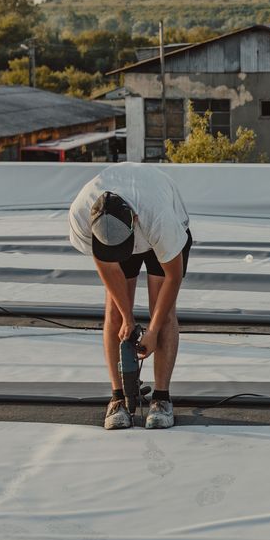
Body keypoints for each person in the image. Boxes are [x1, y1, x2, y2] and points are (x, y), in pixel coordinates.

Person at [68, 163, 192, 431]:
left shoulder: (159, 218)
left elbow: (173, 277)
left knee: (163, 309)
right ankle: (118, 399)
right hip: (123, 231)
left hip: (159, 234)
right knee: (114, 312)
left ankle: (161, 398)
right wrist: (127, 318)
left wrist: (152, 330)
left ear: (134, 219)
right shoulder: (80, 215)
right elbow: (105, 264)